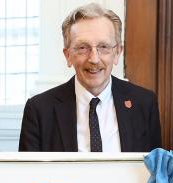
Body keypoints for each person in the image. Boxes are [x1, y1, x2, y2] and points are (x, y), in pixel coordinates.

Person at [19, 2, 161, 152]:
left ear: (118, 52)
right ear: (68, 55)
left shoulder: (144, 104)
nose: (94, 59)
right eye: (82, 48)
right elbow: (30, 174)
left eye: (104, 47)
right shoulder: (38, 110)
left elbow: (153, 171)